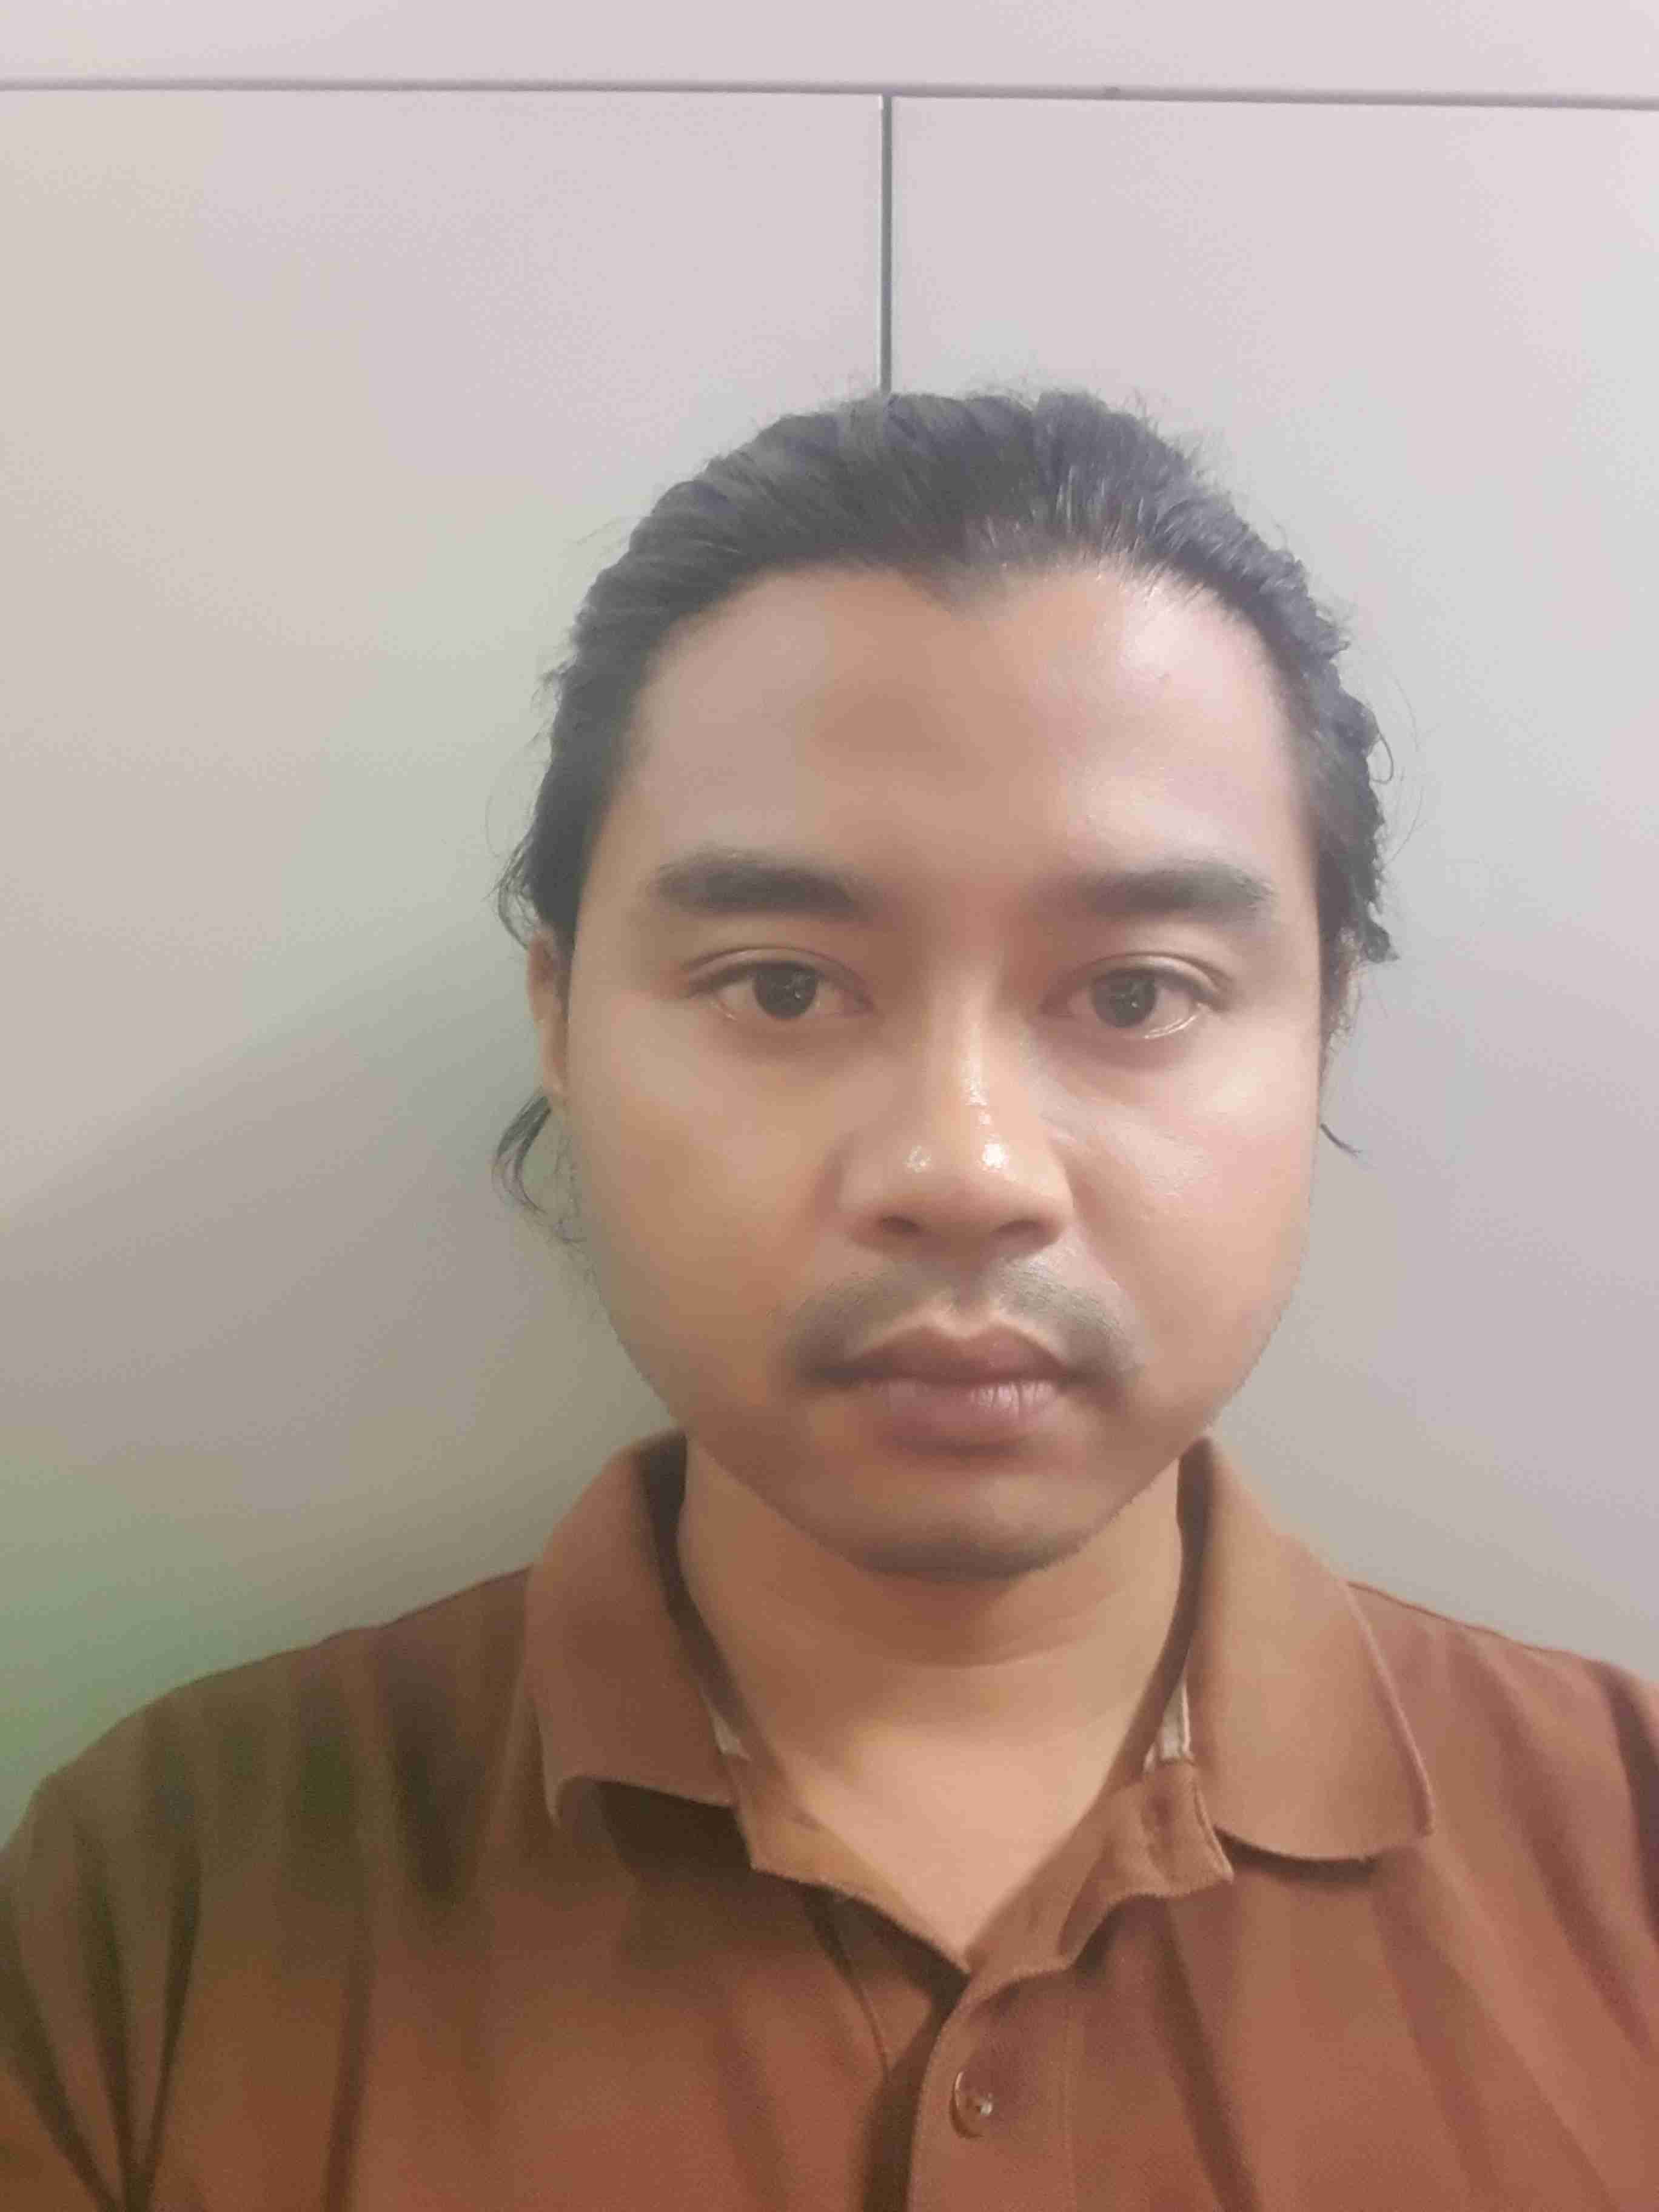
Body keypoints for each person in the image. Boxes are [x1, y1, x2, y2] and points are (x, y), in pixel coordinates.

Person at [2, 389, 1654, 2210]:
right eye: (781, 986)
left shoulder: (1628, 1854)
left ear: (1323, 1021)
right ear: (559, 1019)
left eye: (1137, 992)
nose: (967, 1169)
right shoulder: (153, 1907)